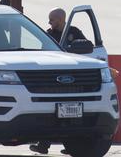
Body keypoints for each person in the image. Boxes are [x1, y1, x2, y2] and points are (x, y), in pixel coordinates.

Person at [30, 8, 89, 155]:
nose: (49, 22)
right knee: (53, 114)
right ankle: (44, 145)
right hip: (54, 80)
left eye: (52, 19)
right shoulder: (49, 35)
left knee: (68, 116)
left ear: (62, 19)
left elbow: (87, 47)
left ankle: (66, 146)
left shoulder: (74, 32)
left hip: (73, 81)